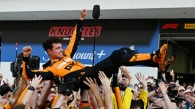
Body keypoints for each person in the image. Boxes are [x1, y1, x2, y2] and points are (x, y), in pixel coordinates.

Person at [21, 9, 173, 93]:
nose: (61, 50)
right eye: (58, 48)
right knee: (116, 56)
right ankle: (154, 57)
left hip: (91, 73)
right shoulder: (50, 69)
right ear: (49, 51)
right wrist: (25, 58)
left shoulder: (66, 54)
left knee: (124, 51)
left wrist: (80, 20)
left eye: (61, 47)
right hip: (83, 80)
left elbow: (75, 38)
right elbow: (27, 75)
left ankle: (156, 64)